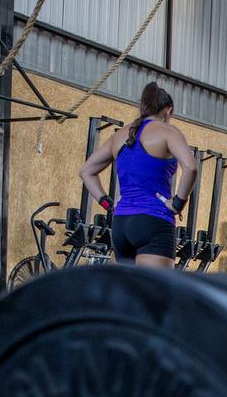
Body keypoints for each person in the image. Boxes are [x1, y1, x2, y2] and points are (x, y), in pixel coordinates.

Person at [79, 81, 197, 268]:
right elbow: (191, 167)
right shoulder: (168, 131)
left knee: (130, 295)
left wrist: (107, 204)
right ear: (168, 110)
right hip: (153, 221)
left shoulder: (120, 135)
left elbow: (86, 171)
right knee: (154, 296)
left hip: (121, 225)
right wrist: (178, 203)